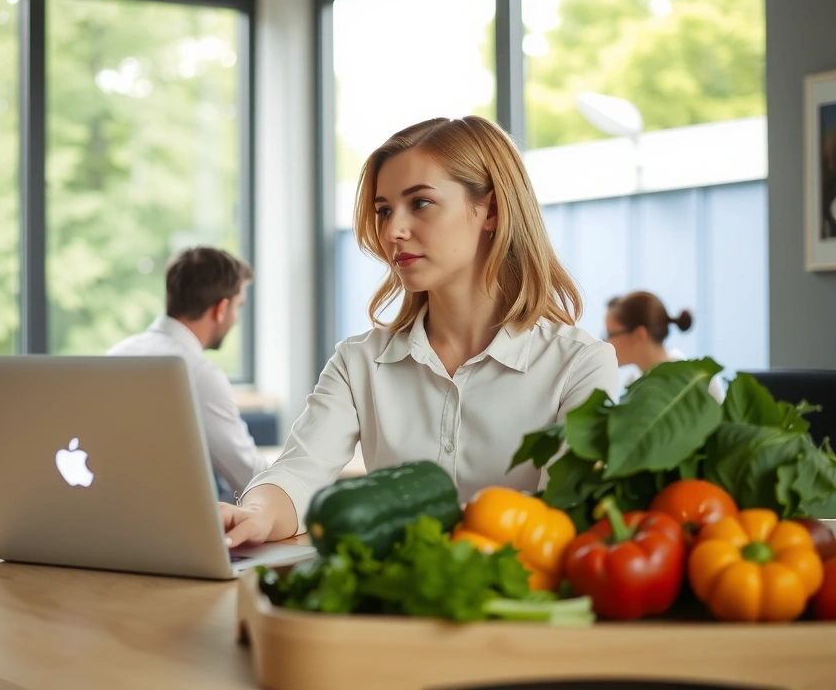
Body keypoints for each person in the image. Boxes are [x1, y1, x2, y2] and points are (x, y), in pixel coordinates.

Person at [220, 116, 618, 549]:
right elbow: (299, 471)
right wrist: (254, 514)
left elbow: (563, 515)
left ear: (492, 210)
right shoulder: (359, 363)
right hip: (393, 607)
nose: (393, 231)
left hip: (517, 608)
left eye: (421, 203)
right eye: (384, 210)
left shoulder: (579, 365)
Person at [106, 246, 266, 498]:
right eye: (238, 307)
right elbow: (252, 478)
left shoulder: (116, 354)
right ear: (220, 309)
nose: (235, 319)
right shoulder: (198, 374)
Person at [604, 291, 725, 403]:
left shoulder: (701, 382)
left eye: (609, 334)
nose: (605, 342)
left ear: (639, 334)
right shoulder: (631, 386)